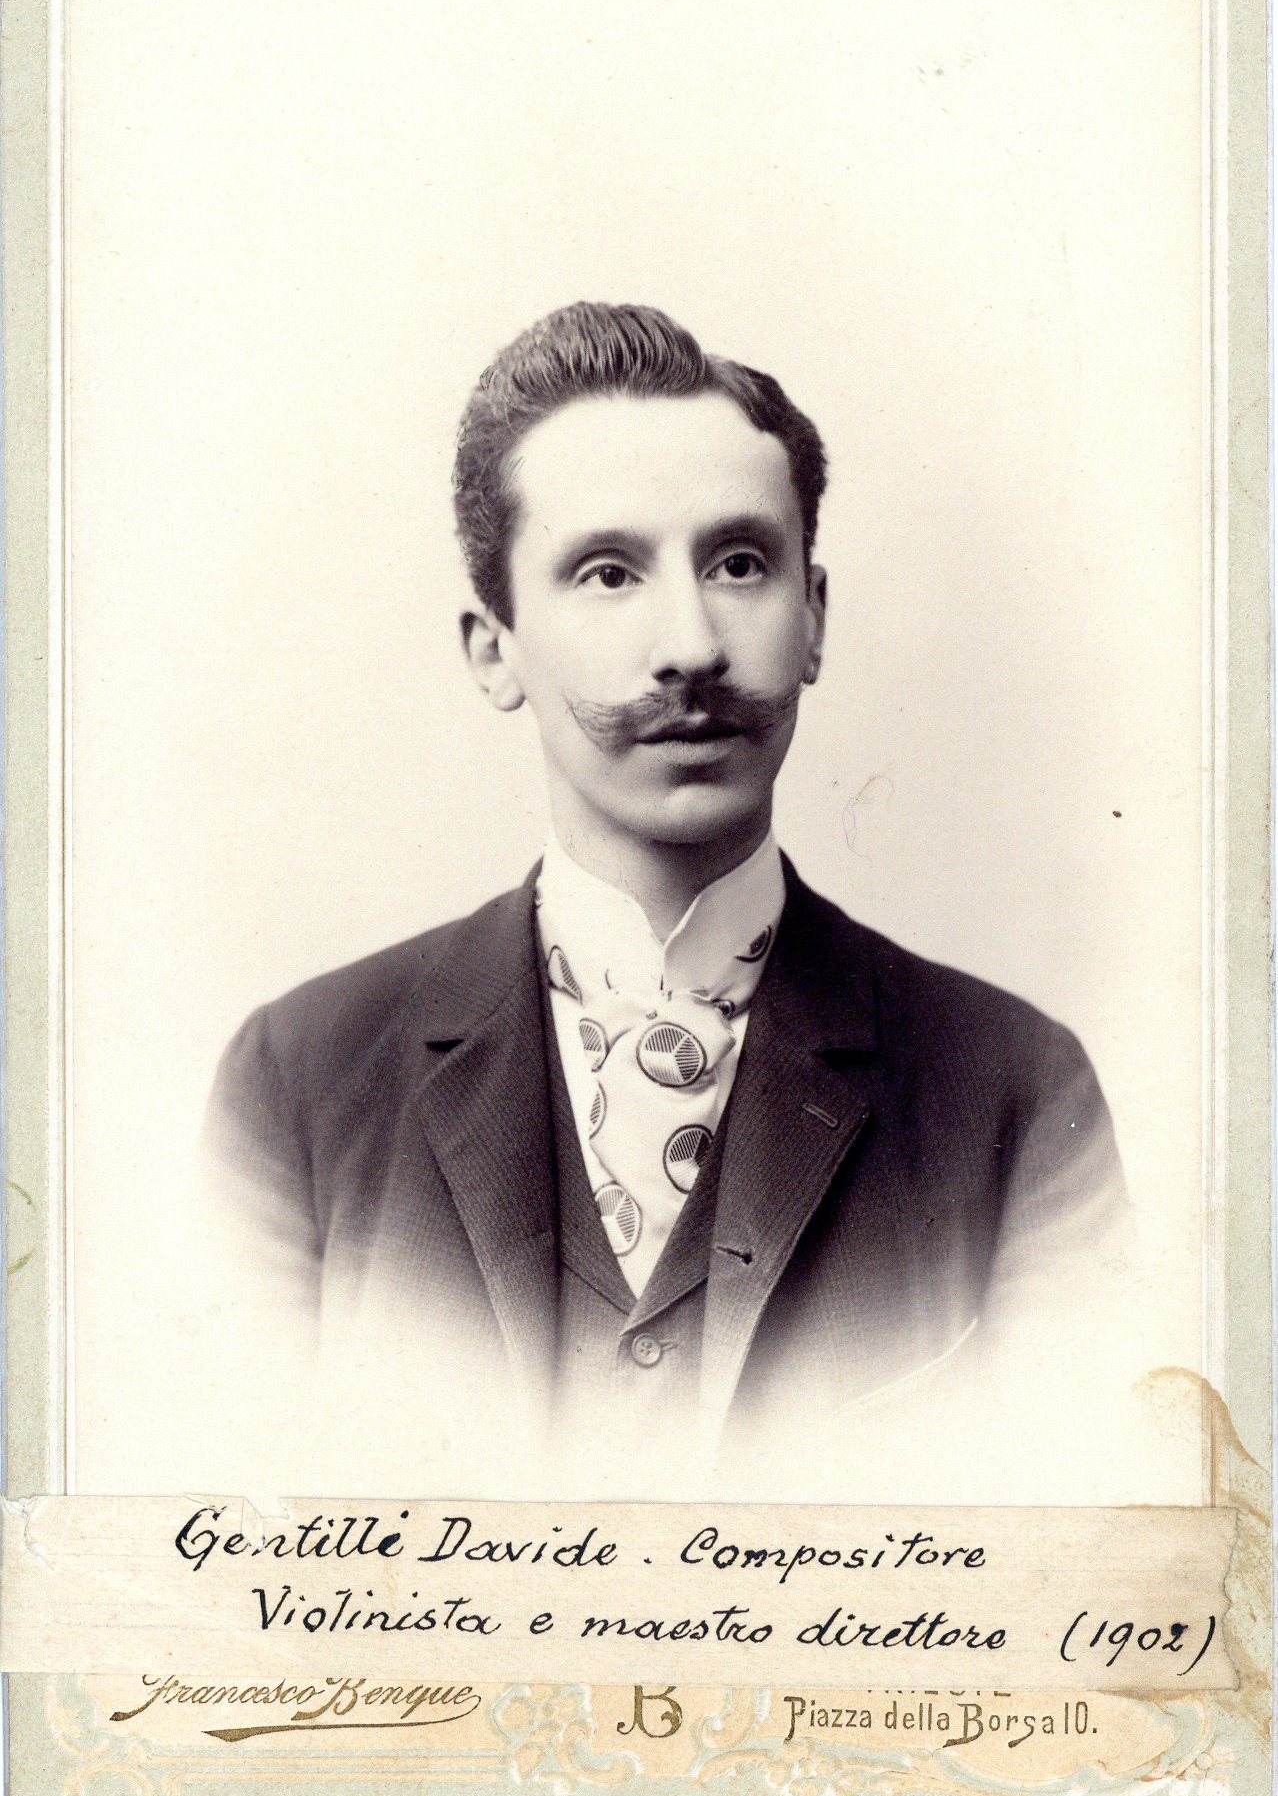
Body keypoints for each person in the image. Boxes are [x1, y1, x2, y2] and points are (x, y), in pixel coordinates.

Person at [205, 301, 1129, 1493]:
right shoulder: (295, 1085)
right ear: (494, 647)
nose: (690, 644)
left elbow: (1071, 1554)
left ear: (813, 617)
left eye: (739, 563)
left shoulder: (1020, 1094)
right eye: (608, 572)